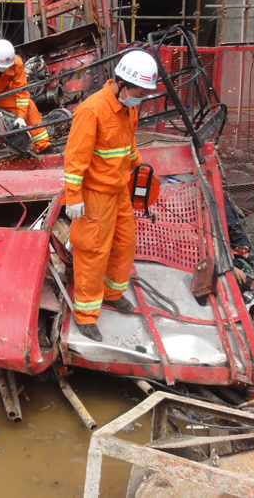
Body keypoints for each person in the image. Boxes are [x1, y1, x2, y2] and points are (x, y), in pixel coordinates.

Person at [63, 50, 159, 342]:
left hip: (118, 192)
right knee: (92, 254)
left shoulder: (129, 107)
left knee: (124, 244)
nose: (140, 98)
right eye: (139, 92)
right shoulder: (92, 111)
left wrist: (138, 165)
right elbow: (74, 160)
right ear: (121, 82)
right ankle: (86, 315)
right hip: (94, 197)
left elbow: (127, 146)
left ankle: (112, 293)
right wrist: (74, 198)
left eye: (145, 94)